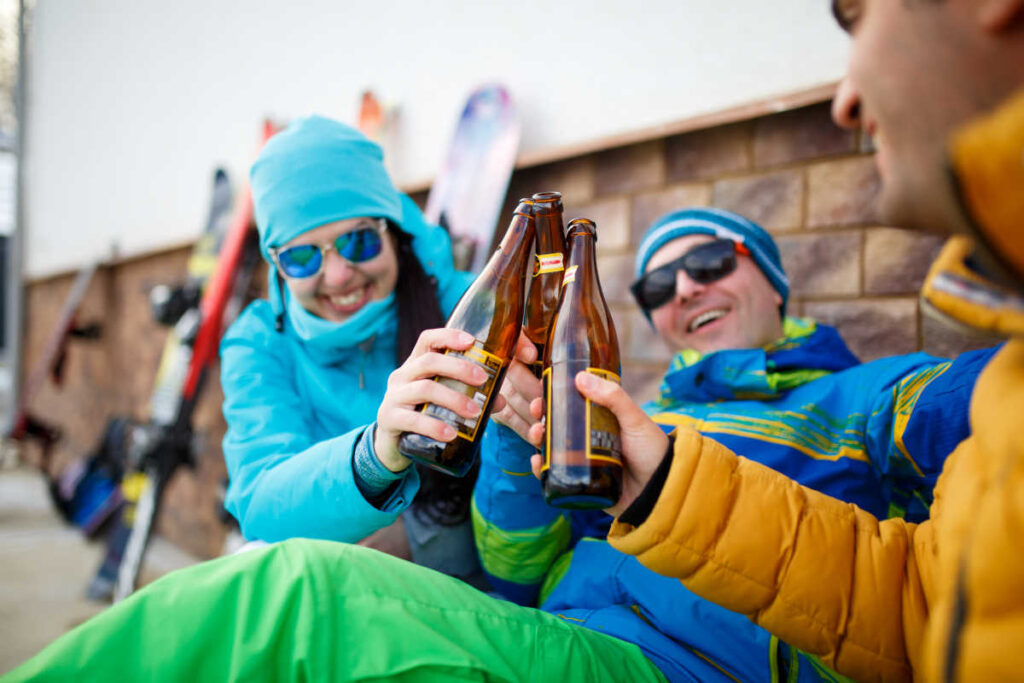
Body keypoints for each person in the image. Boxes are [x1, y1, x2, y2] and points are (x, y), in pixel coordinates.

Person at [582, 2, 1024, 681]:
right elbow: (520, 565)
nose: (685, 290)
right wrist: (505, 432)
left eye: (706, 264)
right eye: (657, 287)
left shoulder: (863, 395)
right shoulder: (637, 416)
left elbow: (970, 403)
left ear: (776, 282)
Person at [219, 114, 488, 581]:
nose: (340, 275)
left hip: (460, 577)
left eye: (359, 242)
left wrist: (415, 534)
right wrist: (371, 460)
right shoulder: (260, 341)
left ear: (392, 230)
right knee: (253, 567)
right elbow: (261, 498)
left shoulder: (469, 311)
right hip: (328, 575)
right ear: (277, 266)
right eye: (302, 257)